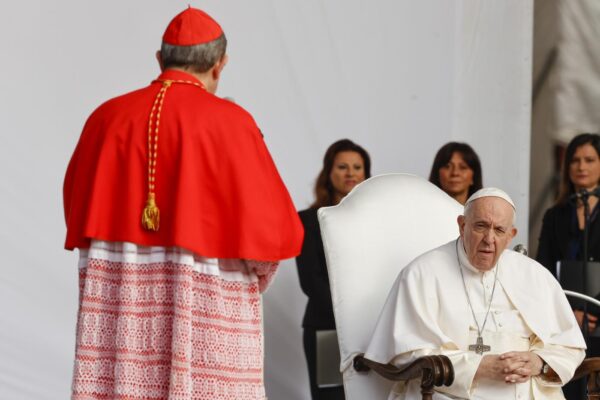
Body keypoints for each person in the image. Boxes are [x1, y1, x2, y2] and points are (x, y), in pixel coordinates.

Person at [63, 7, 304, 400]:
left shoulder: (105, 119)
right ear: (219, 65)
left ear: (160, 59)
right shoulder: (232, 122)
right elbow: (270, 230)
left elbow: (76, 205)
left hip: (120, 301)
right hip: (208, 300)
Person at [365, 188, 586, 399]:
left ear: (511, 235)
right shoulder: (421, 273)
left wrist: (540, 363)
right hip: (448, 395)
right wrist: (477, 367)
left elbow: (569, 344)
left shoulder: (534, 274)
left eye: (499, 230)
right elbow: (408, 353)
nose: (489, 239)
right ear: (462, 226)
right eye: (481, 226)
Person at [296, 139, 371, 400]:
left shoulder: (375, 222)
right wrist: (350, 317)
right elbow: (311, 281)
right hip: (326, 328)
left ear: (366, 175)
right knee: (331, 397)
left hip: (371, 331)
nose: (350, 173)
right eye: (342, 166)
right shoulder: (307, 220)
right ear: (329, 173)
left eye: (357, 167)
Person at [536, 133, 600, 399]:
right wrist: (568, 314)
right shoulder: (554, 214)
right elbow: (542, 270)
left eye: (589, 160)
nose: (581, 167)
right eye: (574, 160)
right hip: (564, 321)